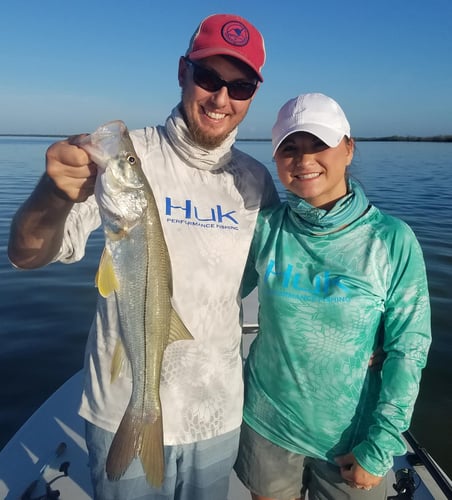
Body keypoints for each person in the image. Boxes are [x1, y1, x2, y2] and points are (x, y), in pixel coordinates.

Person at [8, 14, 279, 500]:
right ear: (182, 72)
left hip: (217, 411)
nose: (221, 99)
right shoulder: (128, 157)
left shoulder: (257, 181)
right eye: (209, 78)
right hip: (122, 409)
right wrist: (53, 193)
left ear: (252, 95)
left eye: (239, 86)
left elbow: (284, 277)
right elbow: (27, 256)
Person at [234, 93, 431, 500]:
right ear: (275, 159)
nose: (304, 161)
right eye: (290, 148)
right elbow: (213, 292)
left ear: (348, 147)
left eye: (318, 145)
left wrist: (379, 447)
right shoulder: (265, 228)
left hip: (349, 440)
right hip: (266, 422)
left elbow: (409, 348)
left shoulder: (391, 240)